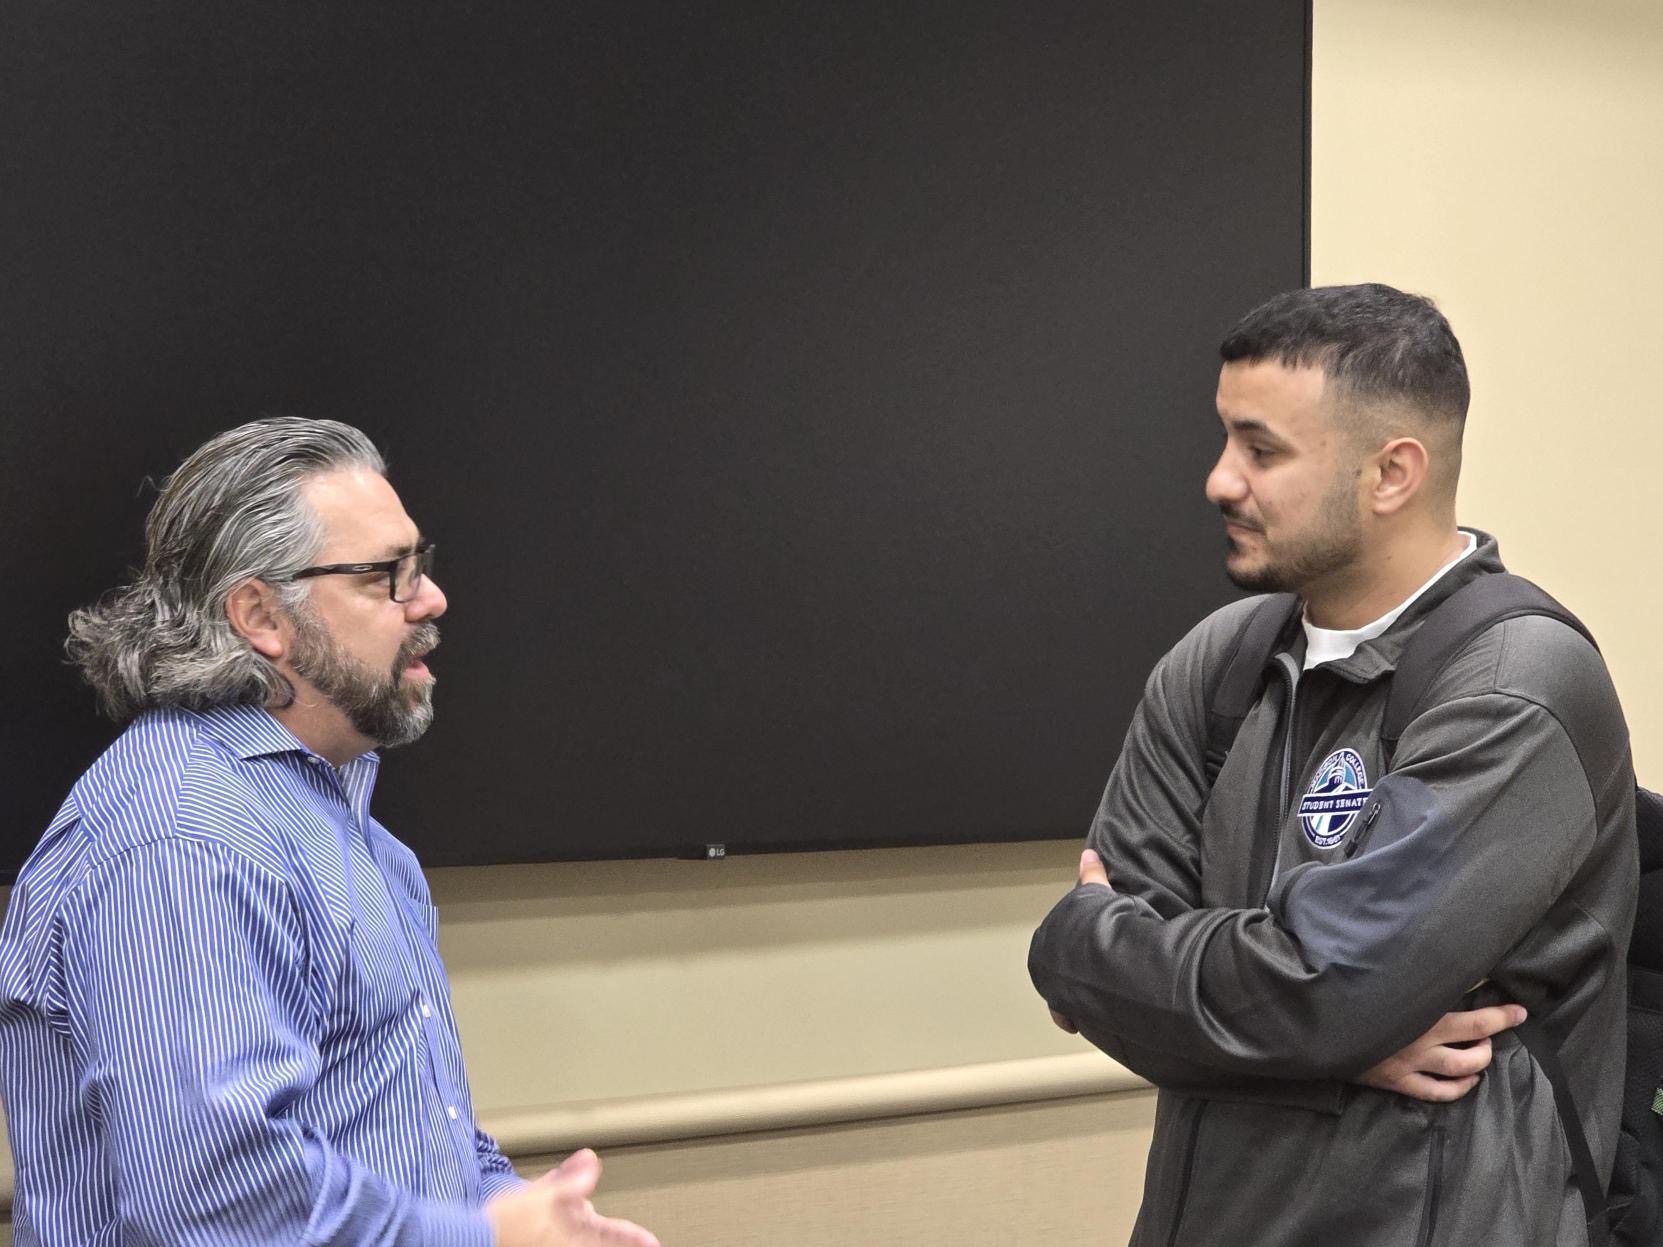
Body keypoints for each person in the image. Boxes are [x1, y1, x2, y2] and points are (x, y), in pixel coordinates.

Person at [1028, 284, 1636, 1245]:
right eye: (1225, 439)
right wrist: (1335, 1043)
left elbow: (1318, 989)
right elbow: (1101, 979)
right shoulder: (1218, 661)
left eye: (1261, 450)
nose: (1219, 480)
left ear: (1391, 472)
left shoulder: (1516, 682)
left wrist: (1121, 958)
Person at [0, 418, 659, 1247]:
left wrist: (516, 1210)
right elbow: (212, 1201)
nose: (430, 598)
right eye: (387, 575)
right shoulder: (183, 841)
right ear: (260, 615)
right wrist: (485, 1238)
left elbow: (409, 1129)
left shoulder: (358, 835)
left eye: (420, 564)